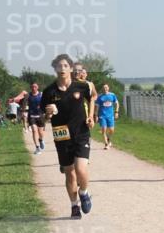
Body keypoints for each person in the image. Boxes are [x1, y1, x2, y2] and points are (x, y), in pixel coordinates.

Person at [41, 54, 95, 219]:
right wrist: (48, 115)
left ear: (71, 68)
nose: (62, 68)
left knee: (80, 168)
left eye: (65, 65)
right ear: (55, 69)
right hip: (61, 135)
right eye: (59, 65)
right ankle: (74, 206)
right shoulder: (49, 91)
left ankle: (84, 192)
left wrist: (91, 116)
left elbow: (93, 96)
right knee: (69, 172)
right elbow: (43, 118)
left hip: (81, 133)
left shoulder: (82, 86)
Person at [95, 84, 120, 149]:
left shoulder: (112, 95)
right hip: (102, 115)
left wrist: (116, 112)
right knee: (104, 129)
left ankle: (108, 139)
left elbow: (117, 103)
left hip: (110, 115)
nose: (105, 89)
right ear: (102, 89)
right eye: (103, 88)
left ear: (108, 88)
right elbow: (97, 107)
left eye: (106, 87)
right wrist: (96, 115)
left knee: (111, 130)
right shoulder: (100, 97)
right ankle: (106, 144)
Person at [26, 82, 46, 154]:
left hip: (40, 115)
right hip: (31, 116)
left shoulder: (41, 94)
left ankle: (41, 140)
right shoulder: (28, 95)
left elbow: (46, 102)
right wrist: (14, 99)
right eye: (32, 87)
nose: (33, 88)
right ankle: (37, 148)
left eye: (35, 87)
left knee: (40, 132)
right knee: (34, 131)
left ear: (38, 87)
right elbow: (22, 94)